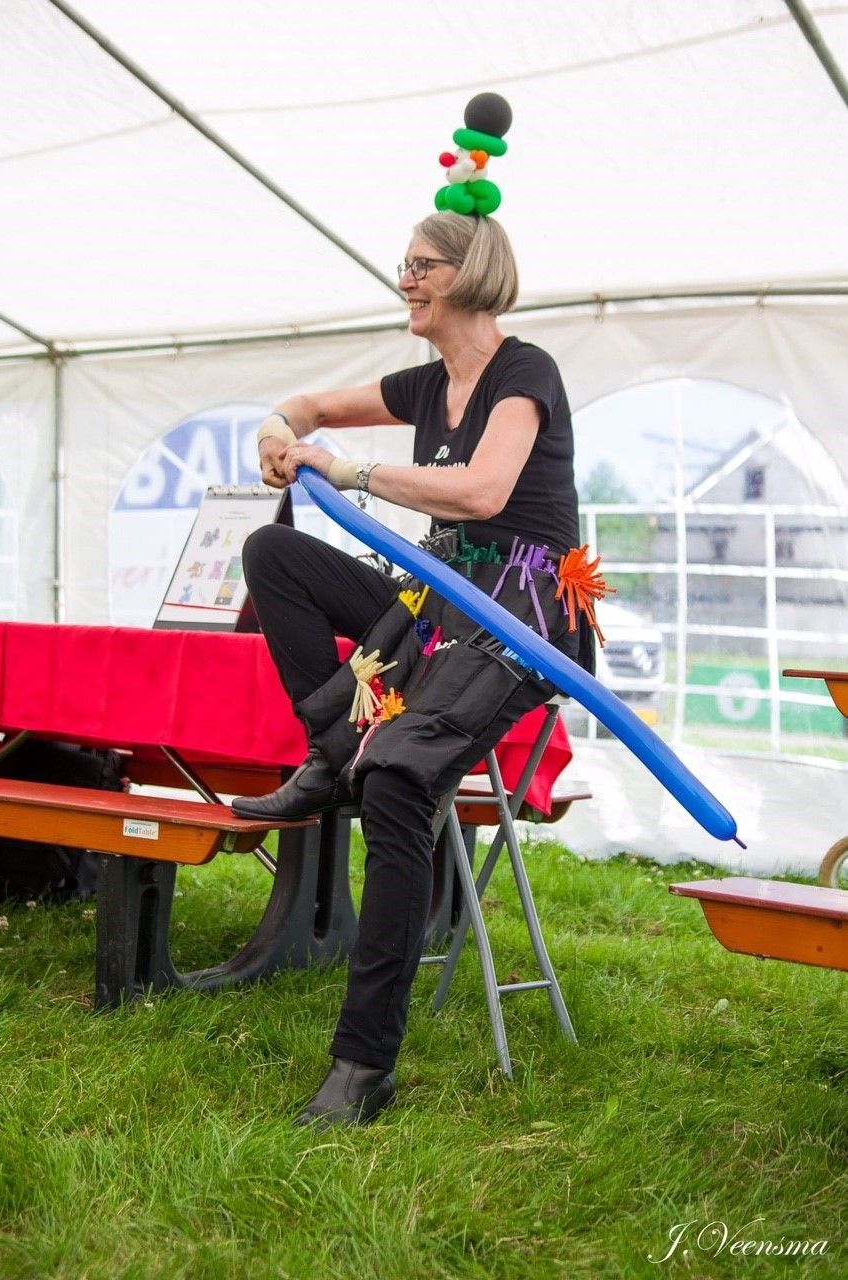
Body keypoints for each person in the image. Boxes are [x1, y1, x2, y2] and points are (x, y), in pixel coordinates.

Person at [232, 209, 595, 1127]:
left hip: (520, 614)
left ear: (471, 273)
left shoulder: (525, 373)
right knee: (275, 558)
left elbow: (482, 491)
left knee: (395, 776)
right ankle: (326, 756)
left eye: (420, 265)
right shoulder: (423, 383)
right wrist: (280, 432)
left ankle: (363, 1067)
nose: (405, 279)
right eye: (404, 265)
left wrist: (350, 473)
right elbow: (305, 409)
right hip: (436, 601)